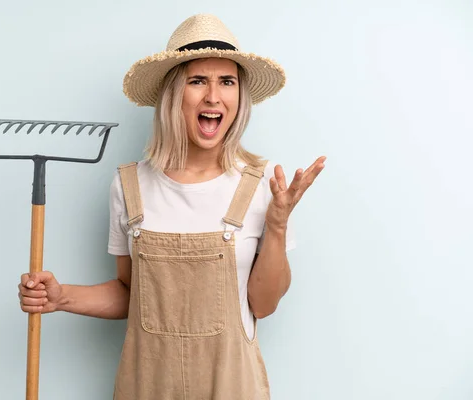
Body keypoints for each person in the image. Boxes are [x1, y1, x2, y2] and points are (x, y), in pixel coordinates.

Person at [18, 13, 325, 399]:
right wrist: (60, 297)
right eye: (198, 81)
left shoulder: (262, 186)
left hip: (231, 387)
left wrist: (277, 226)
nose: (213, 96)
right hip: (147, 387)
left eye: (227, 82)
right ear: (172, 94)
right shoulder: (130, 186)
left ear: (239, 97)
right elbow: (133, 294)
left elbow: (263, 305)